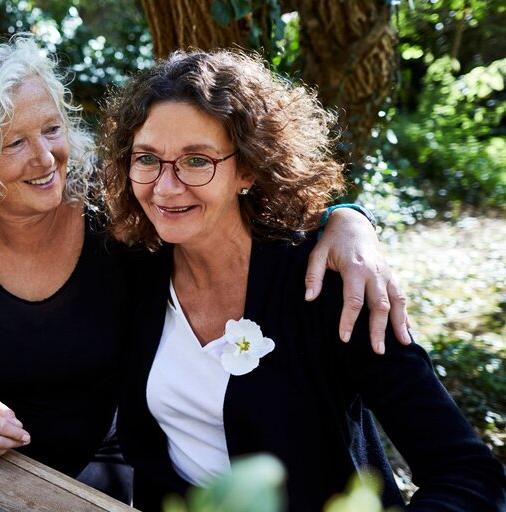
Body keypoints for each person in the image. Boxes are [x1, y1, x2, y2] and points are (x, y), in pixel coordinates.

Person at [0, 37, 405, 494]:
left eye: (52, 129)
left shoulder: (114, 205)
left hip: (108, 467)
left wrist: (348, 218)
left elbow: (240, 206)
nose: (45, 159)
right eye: (13, 143)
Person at [99, 49, 506, 511]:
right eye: (147, 158)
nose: (166, 187)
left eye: (197, 161)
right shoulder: (135, 267)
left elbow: (468, 475)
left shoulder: (331, 288)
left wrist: (348, 220)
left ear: (248, 168)